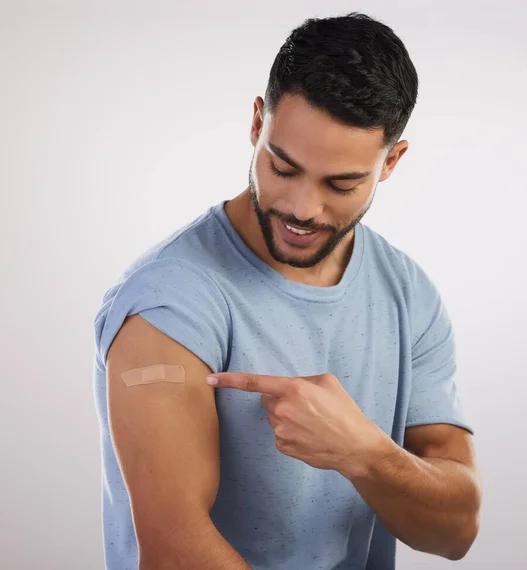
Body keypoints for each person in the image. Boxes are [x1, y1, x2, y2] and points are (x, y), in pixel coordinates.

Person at [93, 12, 481, 570]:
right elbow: (176, 551)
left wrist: (363, 453)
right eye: (282, 166)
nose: (302, 208)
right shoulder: (168, 300)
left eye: (340, 184)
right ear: (257, 123)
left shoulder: (408, 294)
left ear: (390, 162)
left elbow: (456, 531)